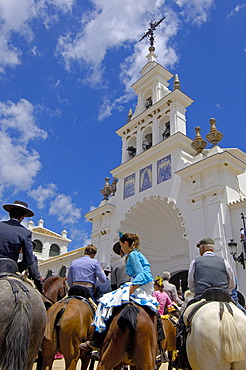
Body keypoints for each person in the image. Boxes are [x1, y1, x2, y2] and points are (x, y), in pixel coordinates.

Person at [80, 233, 165, 362]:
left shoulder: (132, 255)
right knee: (155, 312)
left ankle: (97, 340)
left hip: (138, 286)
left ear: (125, 243)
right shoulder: (136, 254)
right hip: (145, 287)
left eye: (121, 245)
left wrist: (130, 289)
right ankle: (159, 347)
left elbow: (142, 275)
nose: (121, 248)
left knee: (105, 302)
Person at [176, 238, 235, 369]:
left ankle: (182, 355)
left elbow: (191, 285)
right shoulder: (224, 261)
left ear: (202, 249)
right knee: (242, 312)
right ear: (212, 248)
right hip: (224, 297)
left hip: (202, 298)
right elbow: (232, 283)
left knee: (182, 321)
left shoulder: (196, 262)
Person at [0, 200, 34, 273]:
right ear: (23, 217)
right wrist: (16, 268)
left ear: (9, 214)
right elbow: (28, 260)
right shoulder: (25, 233)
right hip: (7, 269)